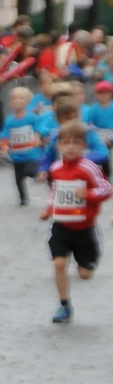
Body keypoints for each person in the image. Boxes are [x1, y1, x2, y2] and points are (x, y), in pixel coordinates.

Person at [40, 120, 109, 323]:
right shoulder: (55, 168)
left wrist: (87, 193)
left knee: (85, 273)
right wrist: (48, 210)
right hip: (61, 225)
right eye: (66, 142)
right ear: (58, 145)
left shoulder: (89, 168)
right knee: (59, 264)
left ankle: (91, 257)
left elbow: (106, 188)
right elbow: (55, 193)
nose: (71, 147)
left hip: (85, 228)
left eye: (76, 143)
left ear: (84, 146)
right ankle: (64, 305)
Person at [0, 85, 50, 208]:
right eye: (14, 98)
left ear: (27, 101)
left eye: (21, 98)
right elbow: (5, 135)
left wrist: (37, 137)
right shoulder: (9, 120)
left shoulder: (32, 117)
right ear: (11, 101)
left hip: (32, 153)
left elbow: (38, 128)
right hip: (17, 155)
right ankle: (23, 198)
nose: (17, 101)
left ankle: (44, 175)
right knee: (18, 179)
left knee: (30, 171)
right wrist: (4, 147)